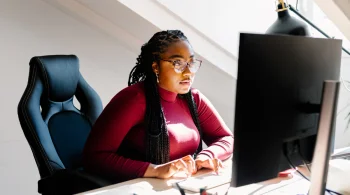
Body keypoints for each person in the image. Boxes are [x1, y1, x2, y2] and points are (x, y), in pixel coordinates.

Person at [82, 30, 234, 183]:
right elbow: (94, 157)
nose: (188, 72)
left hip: (181, 186)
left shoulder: (193, 99)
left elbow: (226, 138)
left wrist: (205, 156)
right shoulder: (135, 99)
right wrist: (155, 170)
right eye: (178, 63)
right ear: (156, 67)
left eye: (191, 63)